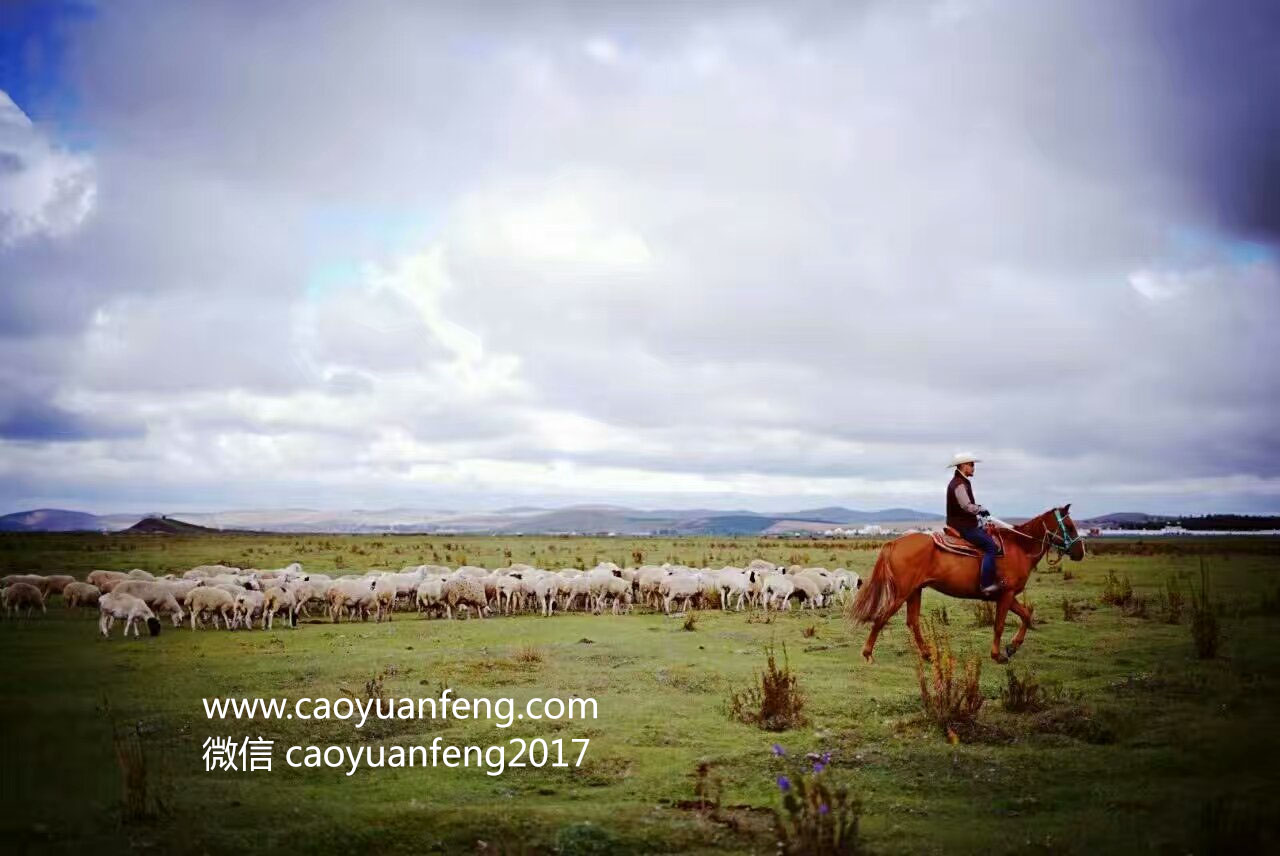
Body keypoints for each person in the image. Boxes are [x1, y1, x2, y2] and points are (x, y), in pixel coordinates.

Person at [945, 452, 1000, 596]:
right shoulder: (959, 484)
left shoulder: (960, 482)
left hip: (964, 524)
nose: (973, 467)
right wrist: (980, 509)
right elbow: (966, 506)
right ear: (963, 466)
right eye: (971, 464)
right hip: (964, 526)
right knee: (991, 546)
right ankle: (986, 584)